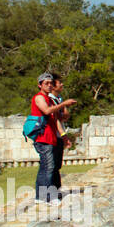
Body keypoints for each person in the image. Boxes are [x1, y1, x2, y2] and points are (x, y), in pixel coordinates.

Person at [28, 73, 75, 203]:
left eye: (50, 83)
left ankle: (40, 196)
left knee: (46, 167)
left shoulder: (49, 99)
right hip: (43, 137)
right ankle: (49, 196)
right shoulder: (39, 98)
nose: (49, 85)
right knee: (48, 167)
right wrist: (63, 103)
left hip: (50, 136)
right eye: (46, 83)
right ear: (40, 85)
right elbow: (47, 111)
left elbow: (58, 118)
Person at [48, 75, 74, 189]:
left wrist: (63, 108)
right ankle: (50, 190)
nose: (62, 85)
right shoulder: (49, 99)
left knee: (57, 164)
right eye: (60, 83)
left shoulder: (58, 99)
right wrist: (64, 136)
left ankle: (56, 189)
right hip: (53, 135)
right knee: (51, 165)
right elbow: (56, 119)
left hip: (58, 135)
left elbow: (65, 116)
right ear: (53, 86)